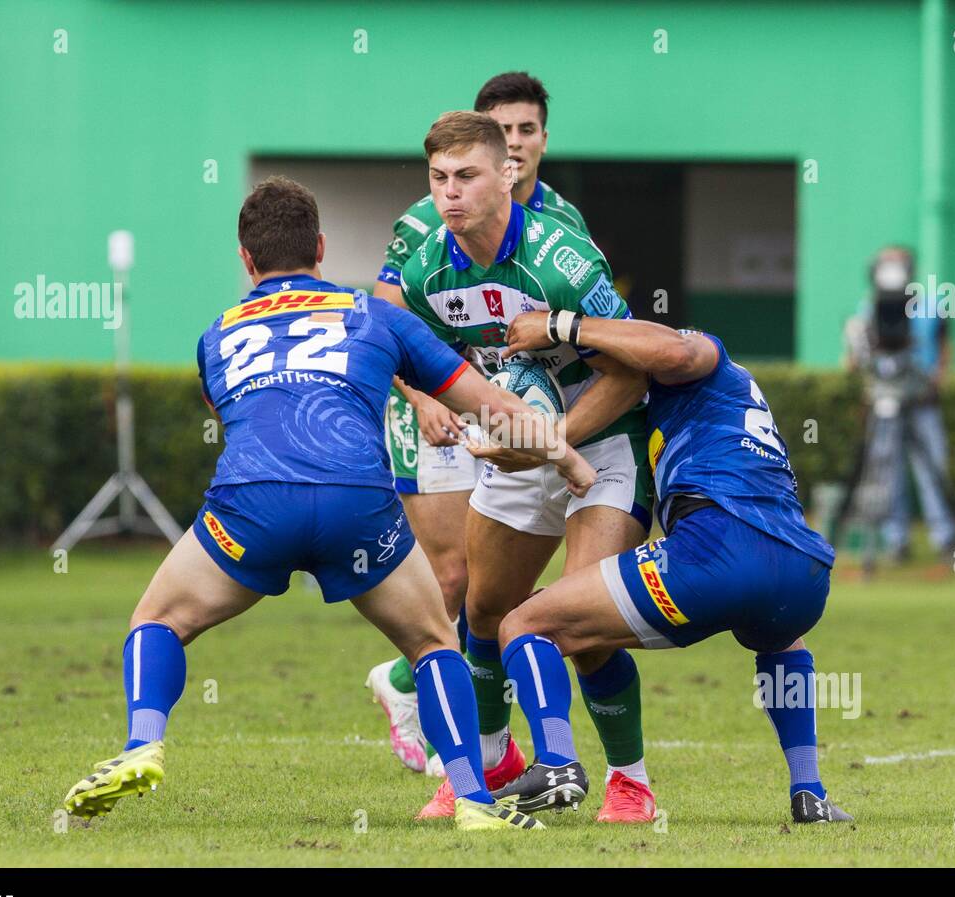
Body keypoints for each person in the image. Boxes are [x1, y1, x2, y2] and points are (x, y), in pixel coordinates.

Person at [61, 177, 596, 833]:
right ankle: (475, 802)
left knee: (157, 620)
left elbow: (234, 414)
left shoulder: (216, 335)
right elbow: (492, 406)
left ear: (245, 259)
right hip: (358, 509)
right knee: (434, 645)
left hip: (252, 506)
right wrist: (565, 457)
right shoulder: (379, 316)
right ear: (320, 246)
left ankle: (142, 745)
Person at [486, 310, 853, 824]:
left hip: (718, 551)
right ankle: (809, 792)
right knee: (782, 640)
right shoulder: (726, 403)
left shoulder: (705, 356)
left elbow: (676, 351)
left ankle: (556, 762)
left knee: (525, 623)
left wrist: (562, 327)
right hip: (803, 571)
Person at [399, 111, 660, 823]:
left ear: (506, 174)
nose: (449, 194)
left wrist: (554, 439)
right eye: (438, 178)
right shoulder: (426, 270)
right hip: (518, 447)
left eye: (466, 176)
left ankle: (629, 783)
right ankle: (486, 768)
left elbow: (633, 369)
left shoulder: (563, 260)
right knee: (481, 612)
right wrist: (432, 399)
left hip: (604, 442)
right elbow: (415, 355)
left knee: (580, 619)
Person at [366, 72, 592, 780]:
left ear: (541, 140)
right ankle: (445, 730)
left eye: (528, 130)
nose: (516, 142)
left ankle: (416, 692)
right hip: (437, 408)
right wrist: (423, 400)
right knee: (455, 576)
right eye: (505, 129)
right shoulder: (430, 217)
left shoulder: (563, 223)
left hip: (517, 414)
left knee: (497, 587)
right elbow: (387, 320)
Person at [843, 246, 955, 561]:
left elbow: (945, 346)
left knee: (932, 467)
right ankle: (896, 541)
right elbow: (855, 359)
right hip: (885, 400)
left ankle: (946, 539)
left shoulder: (932, 307)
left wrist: (938, 377)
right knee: (885, 470)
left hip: (923, 403)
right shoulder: (868, 309)